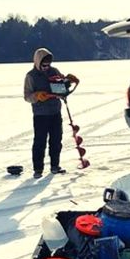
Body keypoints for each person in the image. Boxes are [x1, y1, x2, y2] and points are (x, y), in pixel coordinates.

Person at [23, 48, 79, 179]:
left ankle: (55, 166)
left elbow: (61, 88)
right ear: (38, 62)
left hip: (55, 112)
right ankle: (38, 169)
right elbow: (27, 96)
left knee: (56, 140)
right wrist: (36, 96)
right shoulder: (31, 76)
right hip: (40, 114)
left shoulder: (54, 71)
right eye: (44, 65)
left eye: (48, 65)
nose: (46, 68)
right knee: (40, 142)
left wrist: (68, 82)